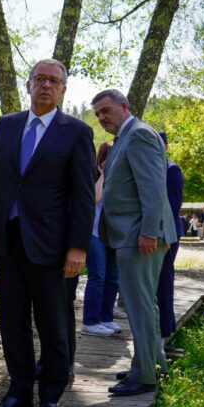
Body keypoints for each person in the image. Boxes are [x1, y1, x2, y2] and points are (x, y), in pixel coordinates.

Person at [0, 59, 95, 407]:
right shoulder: (7, 125)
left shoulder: (75, 132)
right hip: (9, 241)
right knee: (12, 322)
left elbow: (82, 195)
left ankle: (50, 399)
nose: (46, 85)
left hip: (52, 246)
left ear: (63, 90)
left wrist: (78, 246)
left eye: (54, 81)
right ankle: (18, 394)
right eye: (40, 79)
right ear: (28, 85)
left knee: (53, 324)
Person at [91, 89, 176, 397]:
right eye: (98, 114)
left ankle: (144, 376)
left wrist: (150, 232)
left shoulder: (139, 134)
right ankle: (153, 365)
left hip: (140, 236)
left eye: (106, 110)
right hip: (130, 235)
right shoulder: (126, 138)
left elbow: (153, 188)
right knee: (143, 306)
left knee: (139, 307)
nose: (102, 117)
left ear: (124, 106)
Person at [81, 141, 120, 337]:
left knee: (113, 278)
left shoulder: (120, 177)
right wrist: (103, 174)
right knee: (98, 276)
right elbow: (94, 199)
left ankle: (106, 317)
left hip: (114, 235)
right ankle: (90, 320)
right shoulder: (94, 176)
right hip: (95, 233)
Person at [157, 132, 184, 341]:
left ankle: (166, 324)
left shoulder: (171, 169)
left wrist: (165, 235)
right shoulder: (153, 167)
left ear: (165, 146)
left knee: (165, 277)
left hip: (168, 233)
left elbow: (174, 206)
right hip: (156, 232)